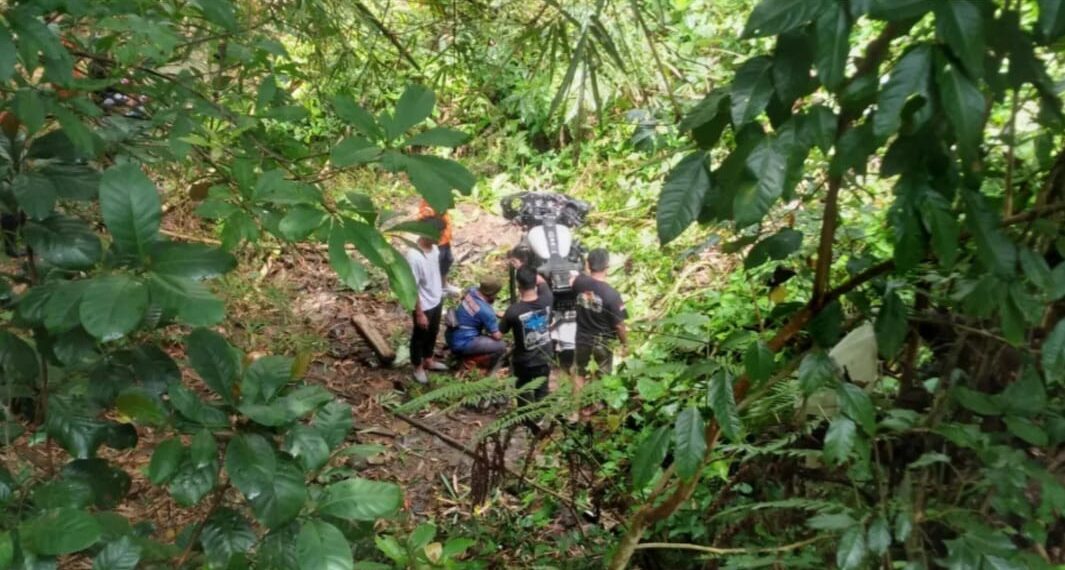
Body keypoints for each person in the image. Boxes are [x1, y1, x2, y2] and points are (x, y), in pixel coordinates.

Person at [572, 248, 628, 386]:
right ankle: (597, 404)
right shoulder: (612, 294)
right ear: (607, 266)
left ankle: (575, 405)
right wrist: (625, 343)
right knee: (602, 374)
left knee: (578, 372)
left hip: (582, 337)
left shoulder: (578, 283)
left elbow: (578, 277)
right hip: (602, 340)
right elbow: (619, 325)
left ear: (588, 264)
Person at [500, 265, 555, 407]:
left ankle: (525, 420)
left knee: (522, 392)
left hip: (523, 361)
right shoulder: (547, 298)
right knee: (542, 390)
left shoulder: (513, 311)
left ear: (518, 285)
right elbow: (541, 281)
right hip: (544, 357)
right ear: (535, 282)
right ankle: (541, 420)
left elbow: (500, 333)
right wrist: (529, 271)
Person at [405, 217, 449, 385]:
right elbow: (412, 286)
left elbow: (436, 272)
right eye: (437, 234)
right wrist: (419, 312)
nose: (439, 237)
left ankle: (428, 359)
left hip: (436, 298)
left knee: (433, 331)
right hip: (423, 303)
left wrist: (442, 290)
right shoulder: (414, 256)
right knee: (419, 336)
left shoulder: (435, 250)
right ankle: (417, 366)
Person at [445, 277, 507, 369]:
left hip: (451, 336)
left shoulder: (471, 290)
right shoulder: (486, 312)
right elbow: (497, 336)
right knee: (501, 346)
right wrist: (508, 321)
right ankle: (469, 361)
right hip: (463, 343)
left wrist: (495, 313)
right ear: (492, 294)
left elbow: (475, 308)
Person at [418, 199, 460, 296]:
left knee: (447, 260)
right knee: (435, 266)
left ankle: (444, 285)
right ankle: (435, 290)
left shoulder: (442, 197)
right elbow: (424, 220)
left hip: (444, 238)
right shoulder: (429, 201)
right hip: (435, 241)